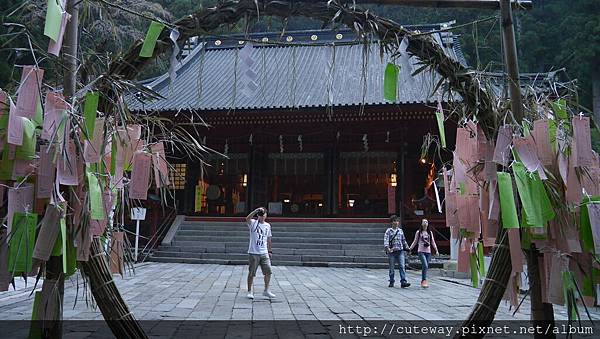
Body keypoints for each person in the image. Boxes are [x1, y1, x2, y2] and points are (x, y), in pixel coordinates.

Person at [245, 207, 275, 299]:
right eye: (260, 215)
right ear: (258, 216)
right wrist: (255, 211)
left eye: (263, 215)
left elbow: (269, 239)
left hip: (264, 252)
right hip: (254, 252)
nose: (262, 217)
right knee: (252, 273)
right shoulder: (253, 223)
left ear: (266, 215)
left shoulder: (267, 225)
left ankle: (266, 290)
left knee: (268, 271)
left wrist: (270, 250)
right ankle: (250, 291)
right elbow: (247, 219)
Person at [409, 219, 439, 288]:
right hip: (421, 251)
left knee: (425, 266)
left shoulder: (430, 233)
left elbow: (433, 242)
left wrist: (436, 250)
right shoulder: (418, 232)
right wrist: (410, 249)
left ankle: (423, 280)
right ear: (421, 224)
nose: (425, 223)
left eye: (426, 222)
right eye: (424, 222)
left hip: (428, 251)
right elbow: (415, 241)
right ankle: (424, 280)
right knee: (425, 265)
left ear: (428, 224)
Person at [383, 215, 410, 288]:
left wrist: (408, 248)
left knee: (402, 266)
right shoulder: (389, 231)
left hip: (400, 250)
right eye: (395, 221)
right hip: (392, 252)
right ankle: (391, 281)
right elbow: (386, 240)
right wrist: (387, 248)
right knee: (392, 267)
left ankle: (403, 281)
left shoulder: (400, 231)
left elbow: (403, 241)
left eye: (397, 221)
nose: (396, 222)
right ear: (392, 222)